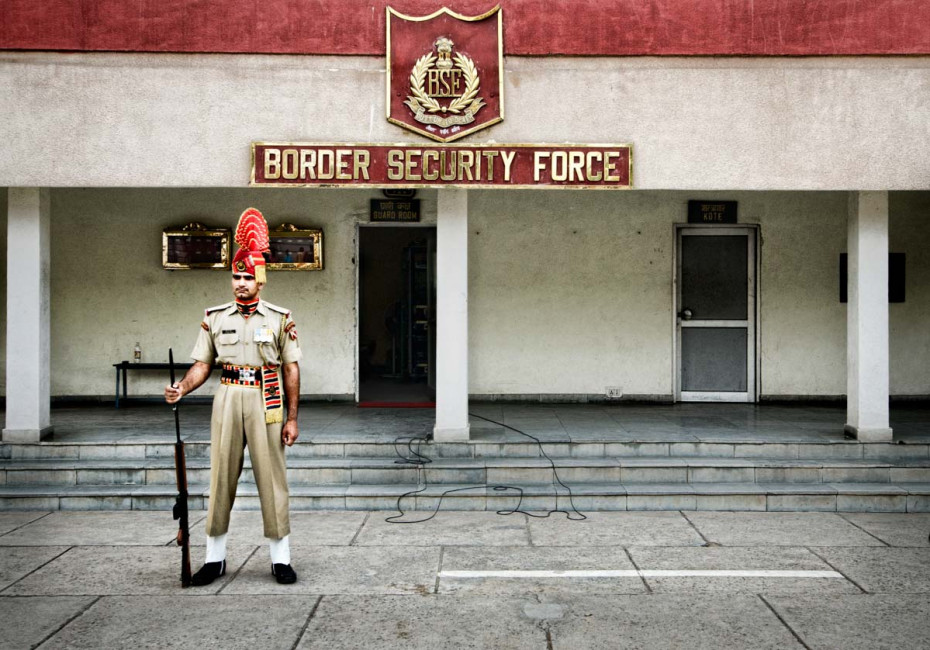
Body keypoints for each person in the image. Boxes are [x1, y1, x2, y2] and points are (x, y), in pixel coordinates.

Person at [165, 207, 302, 586]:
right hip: (228, 395)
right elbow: (201, 365)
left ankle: (280, 559)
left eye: (247, 277)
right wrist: (182, 388)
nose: (240, 283)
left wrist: (292, 418)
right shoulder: (215, 317)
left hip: (266, 398)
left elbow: (290, 369)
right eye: (235, 276)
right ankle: (214, 558)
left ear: (260, 280)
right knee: (221, 476)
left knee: (272, 479)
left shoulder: (279, 318)